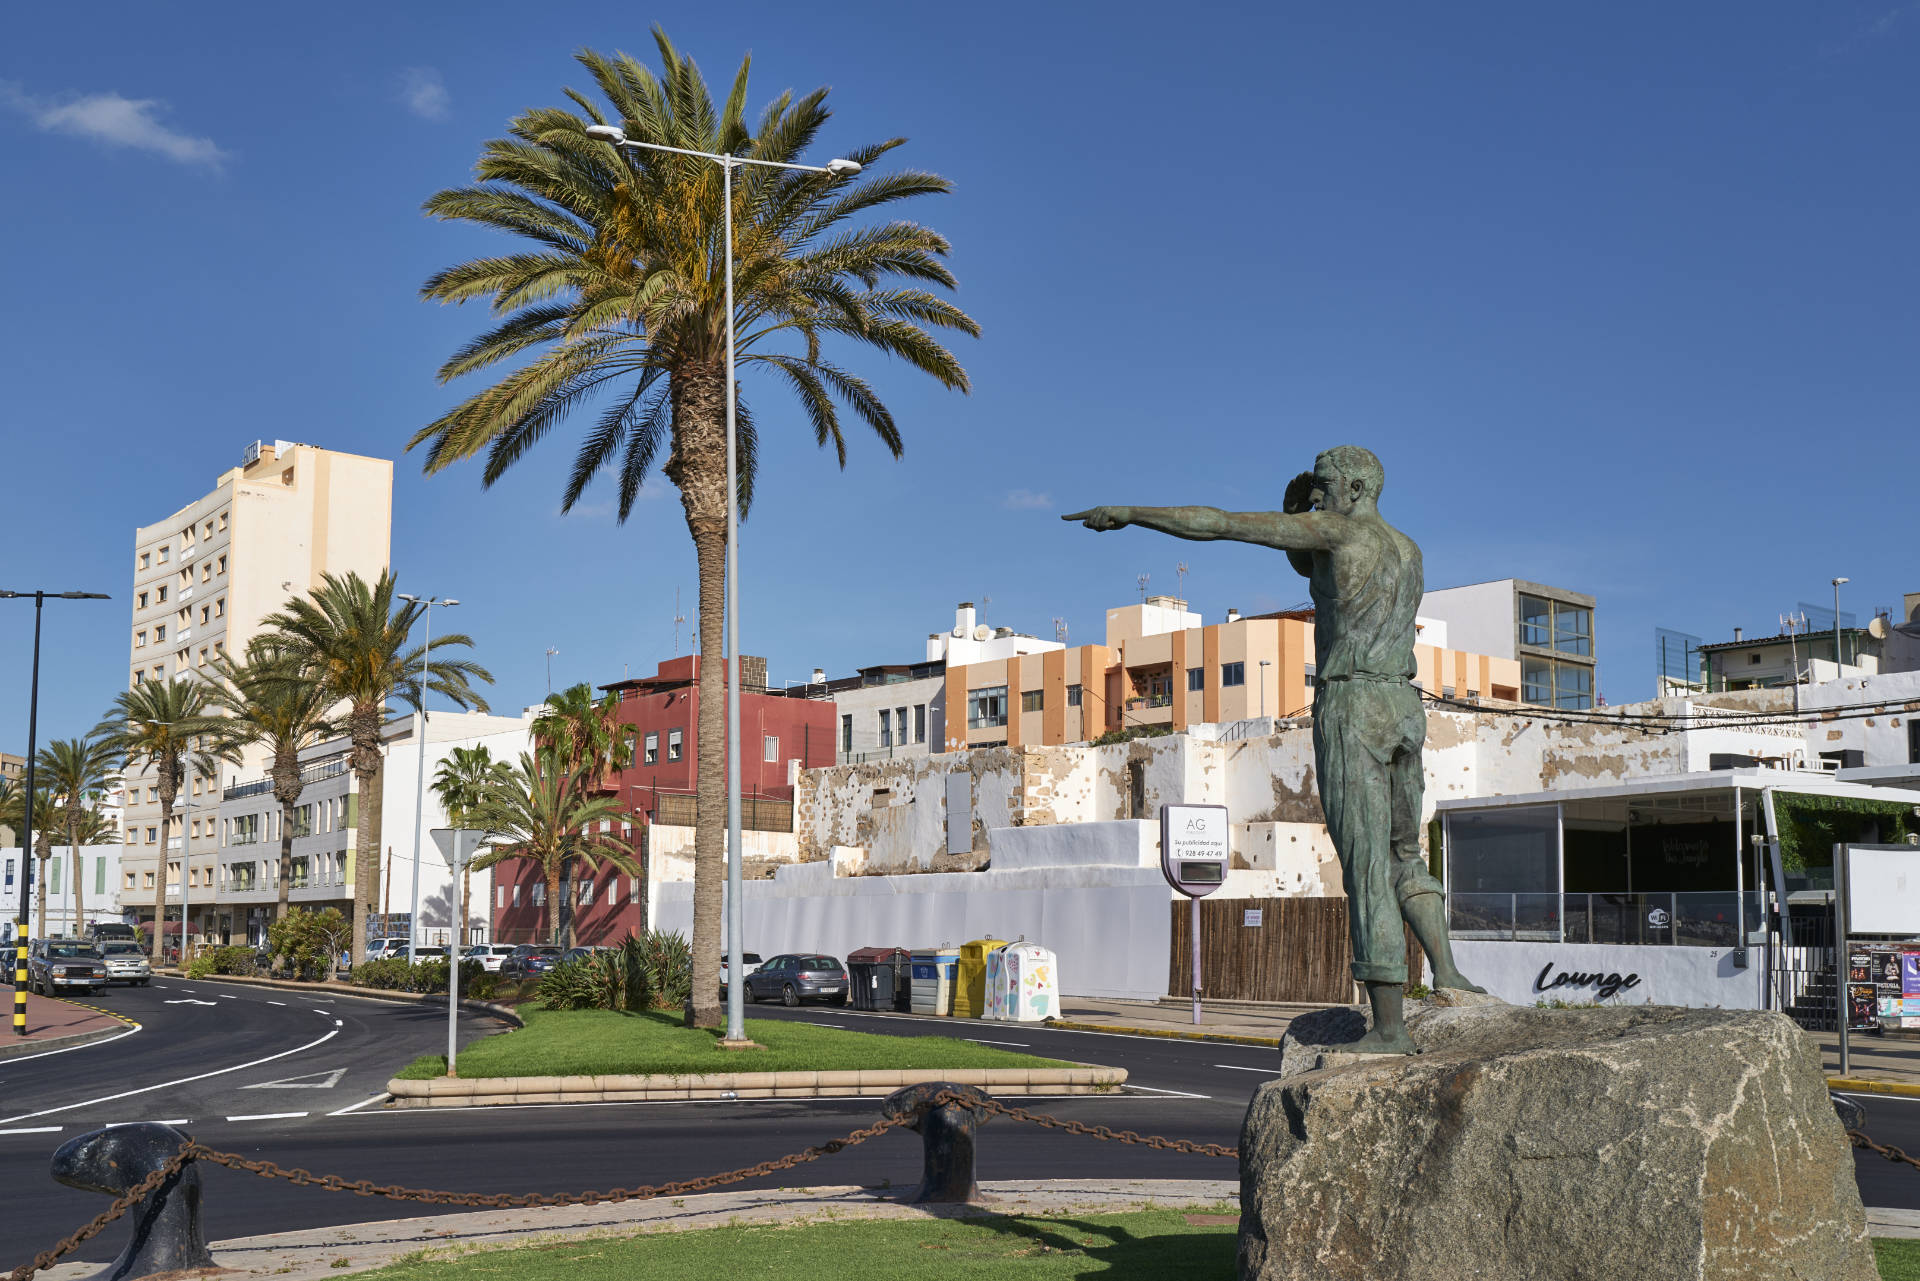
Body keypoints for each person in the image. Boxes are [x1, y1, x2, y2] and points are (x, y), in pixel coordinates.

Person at [1064, 445, 1481, 1053]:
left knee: (1364, 864)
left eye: (1326, 485)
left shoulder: (1338, 533)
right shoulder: (1408, 550)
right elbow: (1325, 580)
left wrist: (1130, 511)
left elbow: (1221, 525)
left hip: (1354, 703)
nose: (1320, 495)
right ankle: (1448, 973)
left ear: (1357, 488)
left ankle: (1390, 1028)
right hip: (1404, 706)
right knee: (1404, 853)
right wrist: (1300, 517)